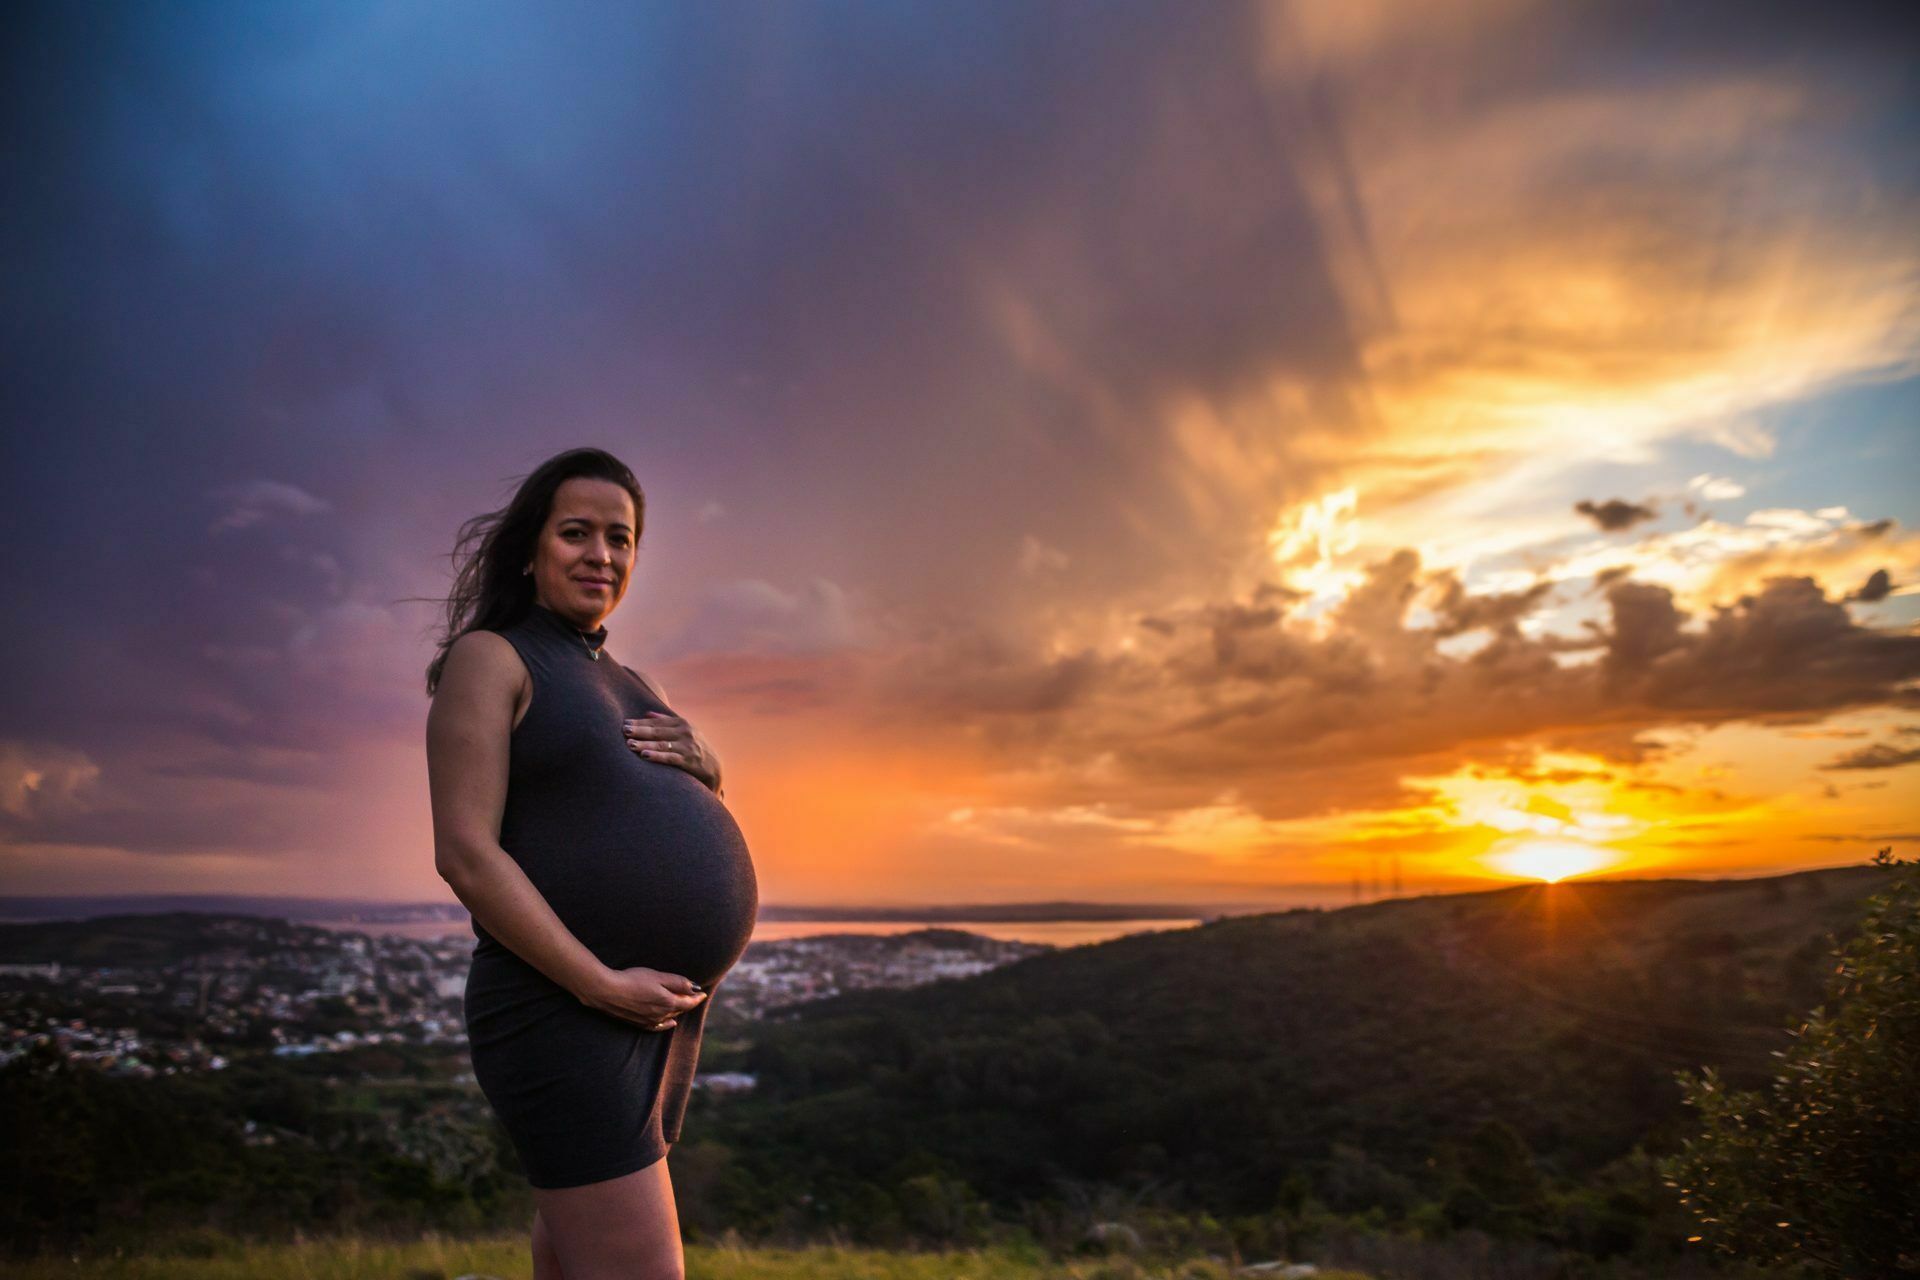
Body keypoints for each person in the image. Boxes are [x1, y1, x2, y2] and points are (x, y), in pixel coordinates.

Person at [424, 447, 758, 1279]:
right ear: (530, 549)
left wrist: (713, 768)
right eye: (576, 533)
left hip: (649, 1018)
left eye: (620, 538)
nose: (600, 555)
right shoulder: (492, 657)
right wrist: (597, 984)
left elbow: (655, 805)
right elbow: (465, 852)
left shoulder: (630, 679)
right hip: (562, 1009)